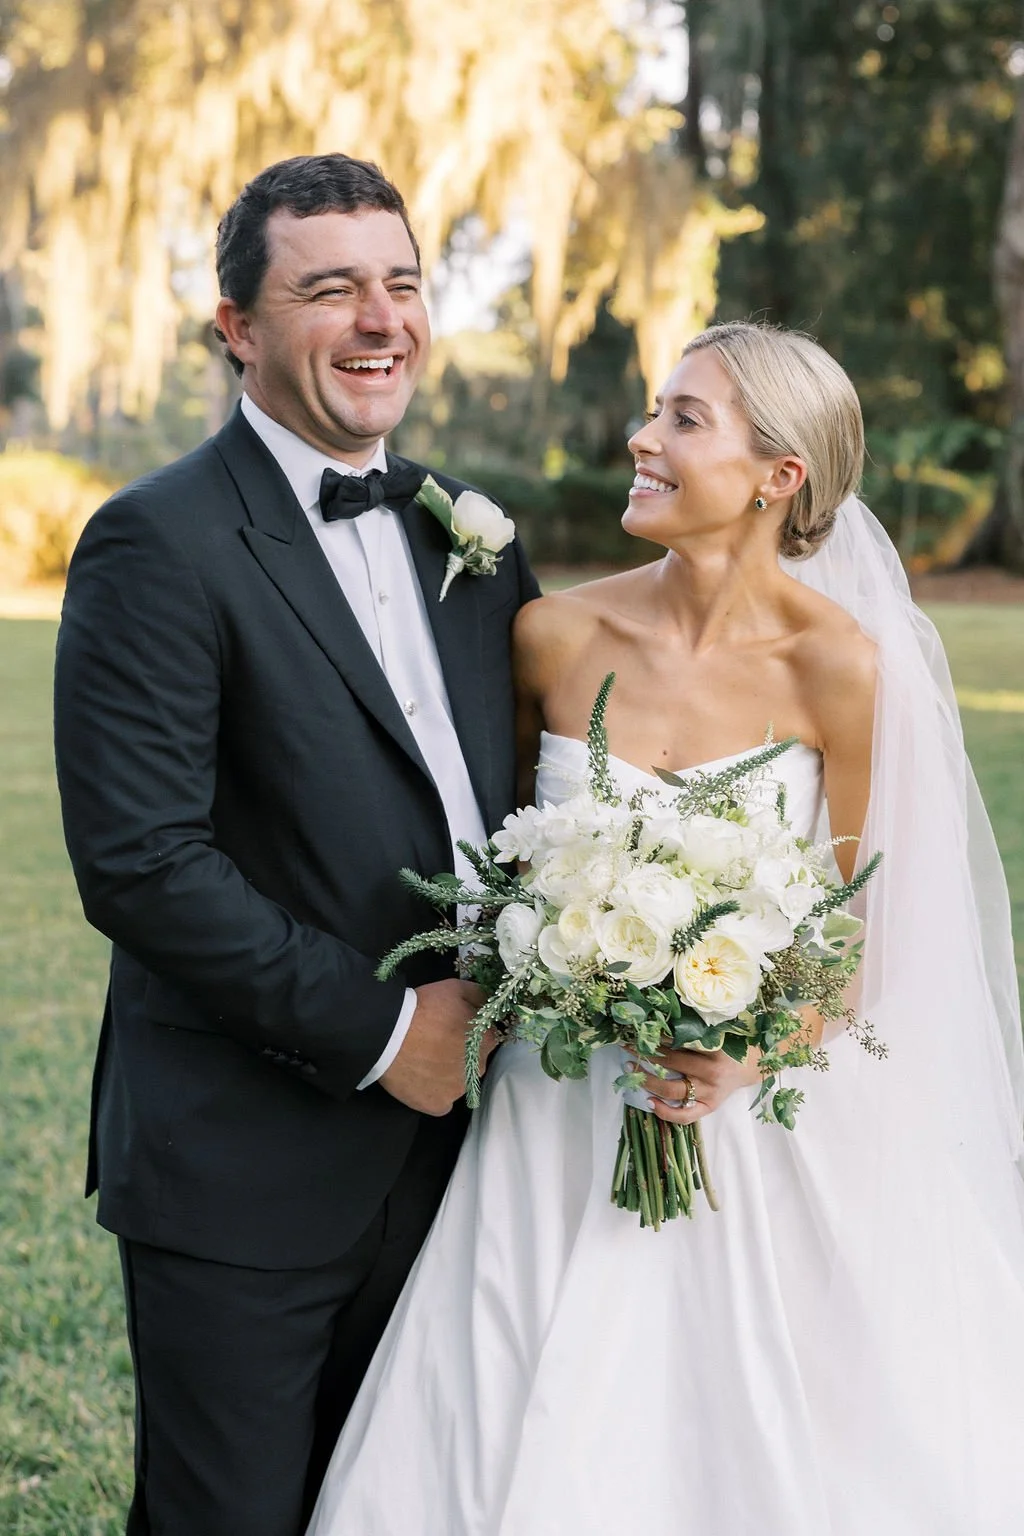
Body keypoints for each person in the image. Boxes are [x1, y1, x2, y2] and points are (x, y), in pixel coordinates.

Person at [307, 322, 1024, 1535]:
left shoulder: (840, 669)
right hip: (554, 1113)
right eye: (652, 408)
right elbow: (469, 856)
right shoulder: (552, 636)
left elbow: (852, 938)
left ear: (777, 475)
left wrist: (742, 1049)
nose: (640, 438)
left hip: (747, 1127)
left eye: (683, 419)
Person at [53, 152, 538, 1536]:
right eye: (331, 290)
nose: (382, 320)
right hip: (249, 1166)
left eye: (400, 283)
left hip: (473, 1163)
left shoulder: (477, 540)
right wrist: (394, 1034)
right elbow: (142, 863)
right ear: (236, 330)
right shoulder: (157, 543)